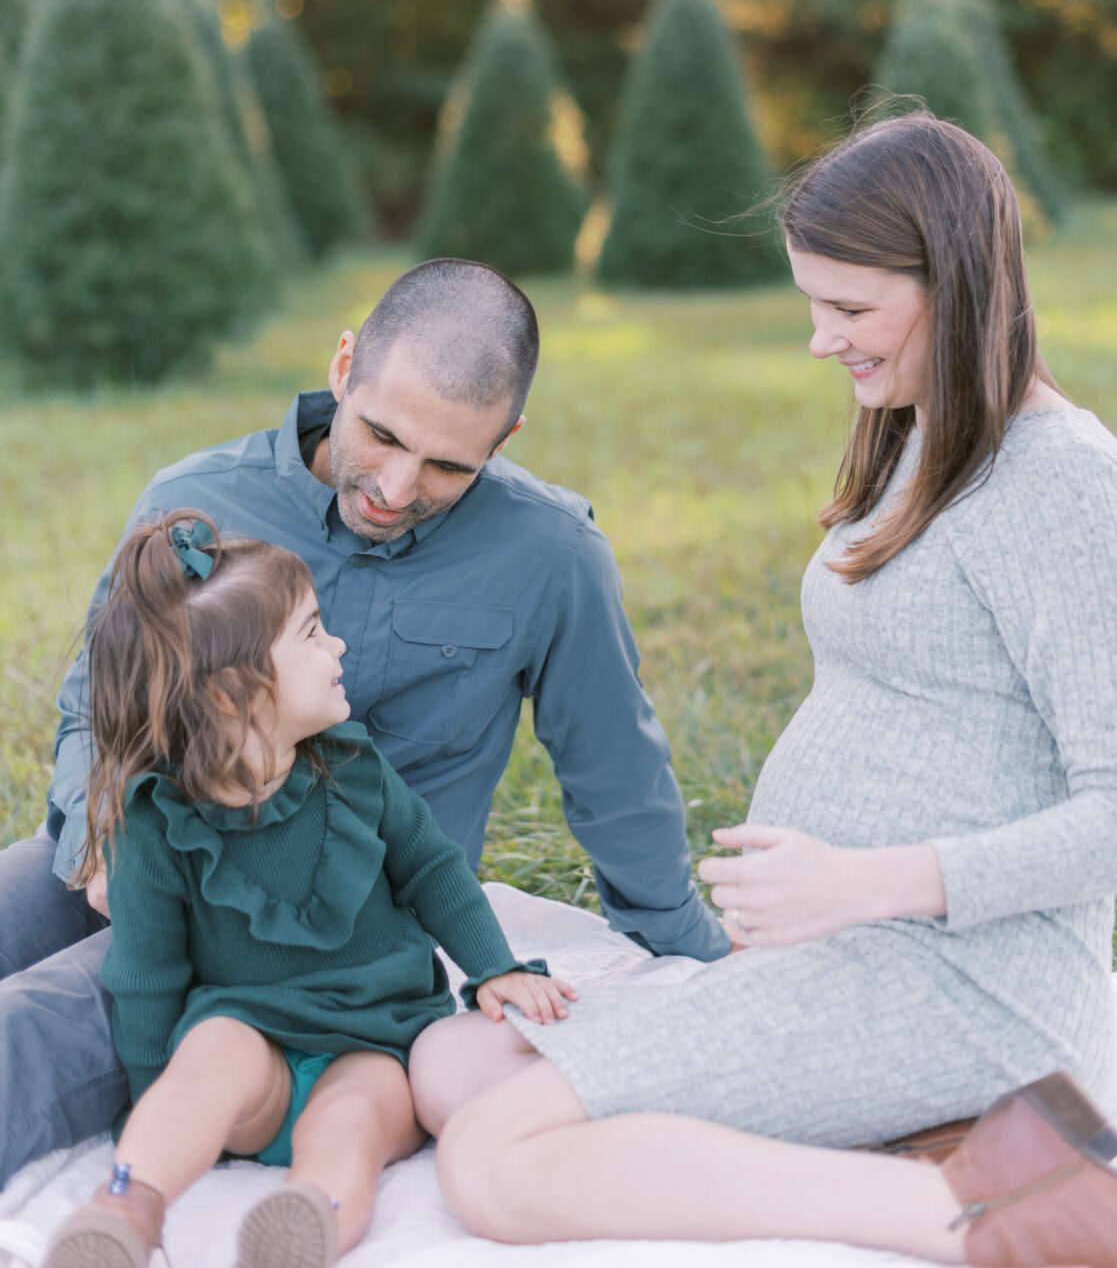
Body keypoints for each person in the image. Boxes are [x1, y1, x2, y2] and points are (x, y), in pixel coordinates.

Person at [407, 113, 1117, 1265]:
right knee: (449, 1063)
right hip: (847, 956)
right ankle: (922, 1140)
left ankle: (1018, 1207)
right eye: (810, 304)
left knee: (493, 1161)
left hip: (968, 983)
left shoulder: (1061, 487)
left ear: (958, 277)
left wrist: (868, 880)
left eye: (848, 307)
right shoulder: (926, 434)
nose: (816, 340)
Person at [0, 258, 725, 1188]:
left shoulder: (554, 556)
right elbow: (93, 706)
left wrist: (698, 965)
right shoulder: (198, 497)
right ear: (343, 366)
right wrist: (94, 838)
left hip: (309, 934)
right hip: (144, 834)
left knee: (38, 1025)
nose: (394, 484)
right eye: (380, 435)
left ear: (504, 440)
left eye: (447, 466)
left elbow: (616, 778)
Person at [42, 510, 574, 1268]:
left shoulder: (351, 770)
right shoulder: (156, 822)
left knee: (352, 1119)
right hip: (251, 1035)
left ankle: (302, 1219)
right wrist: (161, 1099)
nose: (338, 646)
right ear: (232, 692)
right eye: (313, 633)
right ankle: (128, 1204)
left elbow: (432, 869)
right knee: (210, 1056)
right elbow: (146, 972)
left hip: (376, 1038)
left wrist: (496, 967)